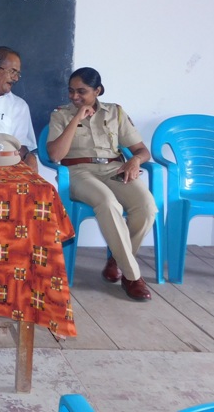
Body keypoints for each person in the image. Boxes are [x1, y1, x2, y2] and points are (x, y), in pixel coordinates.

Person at [46, 67, 156, 302]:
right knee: (107, 203)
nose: (75, 96)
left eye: (82, 91)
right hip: (78, 172)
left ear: (97, 91)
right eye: (71, 91)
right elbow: (55, 155)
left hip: (114, 169)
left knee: (146, 206)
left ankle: (118, 258)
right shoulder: (60, 115)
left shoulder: (115, 112)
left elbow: (141, 150)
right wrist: (76, 118)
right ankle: (133, 277)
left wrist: (135, 160)